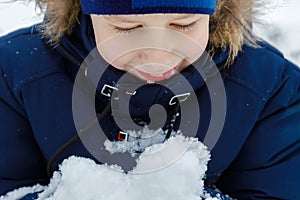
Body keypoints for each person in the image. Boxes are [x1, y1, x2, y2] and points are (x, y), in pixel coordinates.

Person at [0, 0, 299, 199]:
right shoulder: (15, 74)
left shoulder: (270, 88)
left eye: (183, 24)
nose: (157, 56)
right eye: (126, 28)